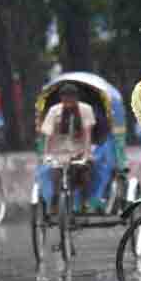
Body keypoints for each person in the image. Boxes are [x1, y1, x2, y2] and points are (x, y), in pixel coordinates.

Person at [40, 83, 96, 214]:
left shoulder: (86, 110)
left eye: (71, 99)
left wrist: (86, 155)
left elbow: (88, 134)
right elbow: (48, 135)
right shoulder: (54, 111)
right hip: (59, 154)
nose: (68, 103)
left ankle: (84, 203)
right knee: (56, 179)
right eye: (65, 100)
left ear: (76, 98)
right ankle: (54, 204)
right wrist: (47, 154)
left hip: (79, 152)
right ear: (61, 99)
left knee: (85, 175)